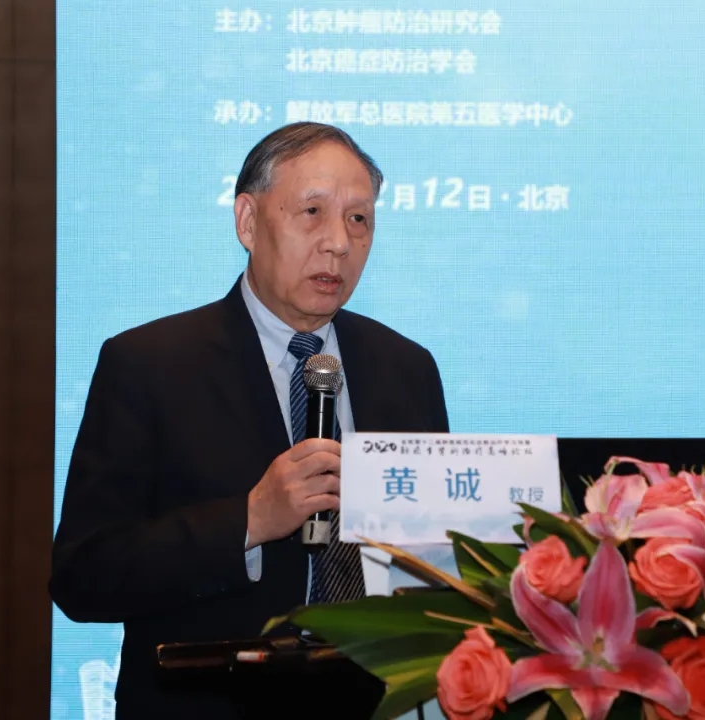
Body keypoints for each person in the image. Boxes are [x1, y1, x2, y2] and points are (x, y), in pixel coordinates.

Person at [49, 122, 450, 718]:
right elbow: (84, 576)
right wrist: (250, 520)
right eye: (312, 212)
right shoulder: (149, 365)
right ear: (247, 221)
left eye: (359, 219)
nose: (339, 243)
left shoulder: (406, 368)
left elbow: (436, 564)